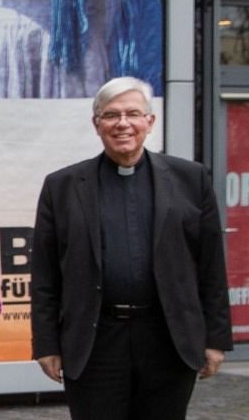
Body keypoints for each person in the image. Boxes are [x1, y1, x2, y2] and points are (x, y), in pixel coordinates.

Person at [30, 77, 231, 420]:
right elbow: (45, 275)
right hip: (95, 342)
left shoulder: (191, 179)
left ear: (149, 122)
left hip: (167, 339)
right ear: (97, 125)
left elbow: (210, 265)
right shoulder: (61, 186)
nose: (122, 123)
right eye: (111, 115)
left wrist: (216, 338)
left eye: (133, 114)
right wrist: (47, 344)